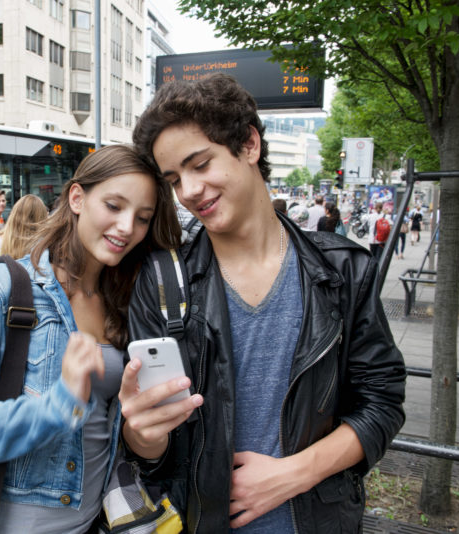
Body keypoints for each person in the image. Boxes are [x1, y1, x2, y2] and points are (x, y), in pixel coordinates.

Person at [124, 73, 406, 533]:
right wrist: (140, 434)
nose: (190, 190)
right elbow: (157, 461)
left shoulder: (342, 271)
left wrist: (292, 475)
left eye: (200, 164)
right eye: (175, 179)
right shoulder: (161, 281)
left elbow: (382, 404)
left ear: (249, 144)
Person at [0, 145, 181, 533]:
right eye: (114, 206)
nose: (127, 227)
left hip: (99, 521)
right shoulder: (3, 289)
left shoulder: (125, 301)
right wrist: (57, 406)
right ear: (77, 197)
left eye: (142, 218)